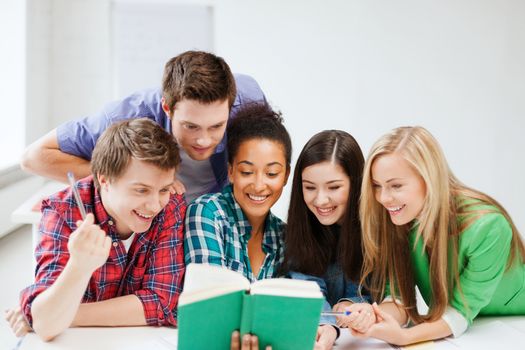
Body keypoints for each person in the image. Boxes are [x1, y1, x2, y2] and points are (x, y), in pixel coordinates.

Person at [4, 118, 186, 341]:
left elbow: (162, 301)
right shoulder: (63, 212)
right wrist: (79, 266)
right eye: (141, 190)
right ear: (105, 179)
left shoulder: (171, 207)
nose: (155, 205)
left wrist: (67, 313)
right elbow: (46, 326)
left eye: (164, 189)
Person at [349, 126, 525, 346]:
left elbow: (459, 313)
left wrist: (405, 337)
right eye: (377, 186)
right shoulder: (399, 219)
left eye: (396, 185)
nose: (383, 198)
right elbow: (398, 297)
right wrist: (371, 315)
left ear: (429, 178)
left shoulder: (488, 226)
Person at [20, 50, 266, 202]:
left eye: (216, 126)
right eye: (190, 126)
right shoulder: (126, 117)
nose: (203, 140)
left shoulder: (250, 104)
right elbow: (35, 157)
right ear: (167, 109)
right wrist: (132, 178)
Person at [281, 130, 370, 350]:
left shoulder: (377, 230)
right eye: (310, 187)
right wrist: (326, 325)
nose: (320, 200)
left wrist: (353, 305)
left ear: (356, 183)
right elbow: (307, 289)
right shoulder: (300, 230)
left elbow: (393, 297)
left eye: (334, 187)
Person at [184, 103, 291, 282]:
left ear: (286, 175)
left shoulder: (284, 236)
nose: (258, 185)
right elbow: (211, 300)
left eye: (271, 173)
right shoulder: (207, 213)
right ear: (231, 172)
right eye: (247, 172)